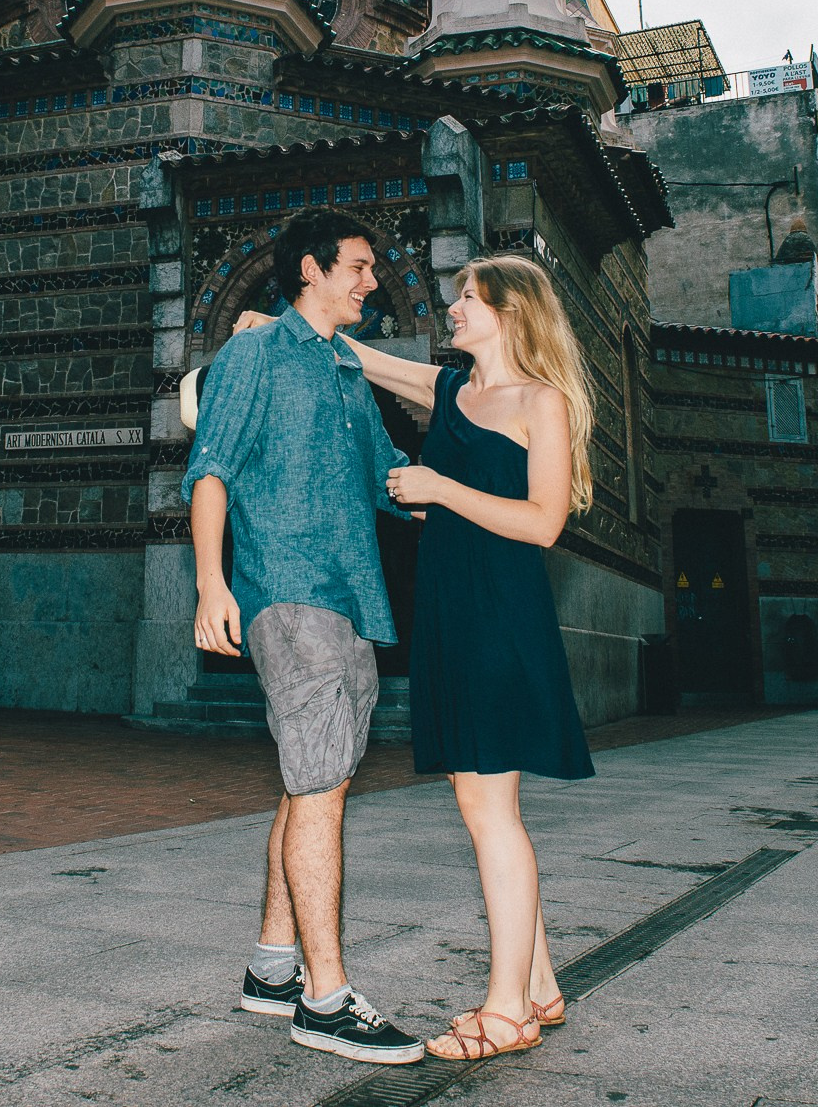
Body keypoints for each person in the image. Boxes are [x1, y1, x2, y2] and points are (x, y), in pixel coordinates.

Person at [234, 253, 592, 1064]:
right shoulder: (448, 389)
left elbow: (544, 521)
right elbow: (357, 354)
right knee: (483, 801)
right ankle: (539, 983)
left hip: (501, 612)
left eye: (469, 297)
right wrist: (278, 327)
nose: (454, 306)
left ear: (510, 312)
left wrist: (439, 488)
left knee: (490, 809)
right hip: (452, 612)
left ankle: (507, 1010)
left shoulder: (540, 400)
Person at [184, 208, 427, 1067]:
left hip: (353, 598)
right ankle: (325, 1001)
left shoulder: (347, 369)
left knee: (312, 782)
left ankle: (272, 968)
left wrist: (480, 492)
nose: (371, 279)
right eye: (357, 265)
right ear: (312, 270)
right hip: (287, 592)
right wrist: (212, 582)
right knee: (321, 786)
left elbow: (391, 479)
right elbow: (210, 468)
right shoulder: (253, 354)